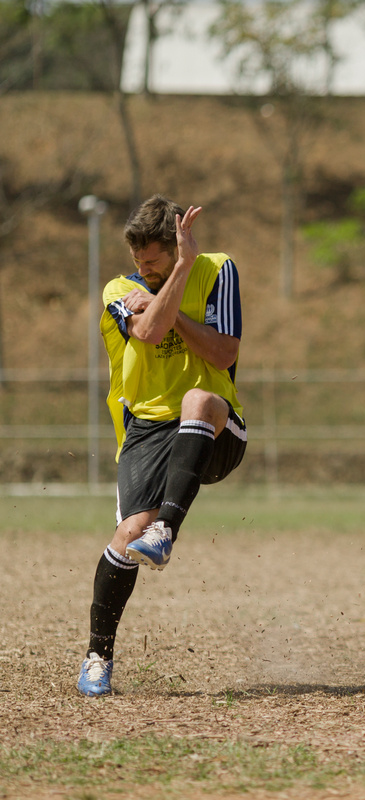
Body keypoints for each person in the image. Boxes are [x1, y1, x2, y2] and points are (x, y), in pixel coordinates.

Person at [77, 195, 247, 697]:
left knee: (199, 397)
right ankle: (97, 658)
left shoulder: (217, 269)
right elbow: (148, 332)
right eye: (138, 261)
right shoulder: (120, 289)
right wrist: (162, 298)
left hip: (215, 423)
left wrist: (187, 268)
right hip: (147, 427)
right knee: (128, 536)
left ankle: (167, 528)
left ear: (177, 248)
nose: (142, 270)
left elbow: (223, 350)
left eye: (153, 261)